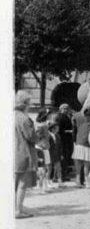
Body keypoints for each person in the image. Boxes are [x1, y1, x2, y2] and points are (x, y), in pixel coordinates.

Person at [14, 90, 38, 218]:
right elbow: (32, 137)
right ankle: (18, 210)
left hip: (11, 154)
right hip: (23, 154)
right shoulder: (25, 119)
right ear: (25, 104)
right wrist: (37, 135)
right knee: (22, 185)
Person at [72, 110, 90, 187]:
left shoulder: (80, 125)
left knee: (79, 165)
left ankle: (78, 181)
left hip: (78, 144)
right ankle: (87, 182)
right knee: (86, 165)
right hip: (85, 145)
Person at [57, 103, 74, 181]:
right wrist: (68, 131)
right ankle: (62, 176)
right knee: (64, 156)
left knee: (66, 156)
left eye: (67, 108)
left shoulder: (67, 116)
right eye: (64, 109)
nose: (66, 110)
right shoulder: (60, 117)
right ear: (60, 110)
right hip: (63, 139)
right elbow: (59, 129)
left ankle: (65, 174)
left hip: (67, 139)